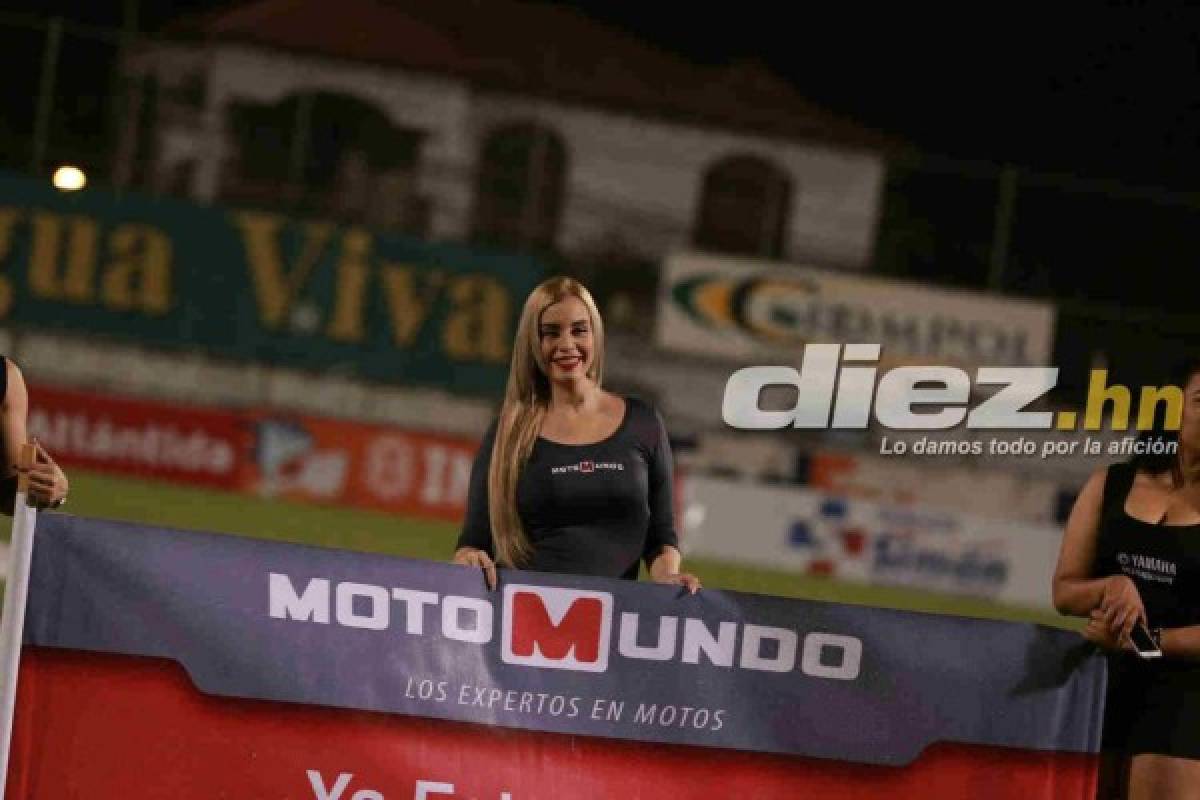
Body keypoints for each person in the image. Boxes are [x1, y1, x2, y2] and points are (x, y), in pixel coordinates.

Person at [453, 276, 700, 593]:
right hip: (520, 625)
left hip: (609, 626)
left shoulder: (644, 422)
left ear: (595, 336)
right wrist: (470, 559)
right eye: (550, 333)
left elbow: (661, 535)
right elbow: (473, 542)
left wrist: (667, 576)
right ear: (533, 343)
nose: (566, 345)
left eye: (579, 330)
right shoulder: (508, 431)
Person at [1052, 357, 1200, 798]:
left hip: (1184, 702)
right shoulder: (1109, 484)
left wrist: (1144, 641)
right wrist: (1112, 586)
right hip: (1098, 687)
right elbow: (1065, 592)